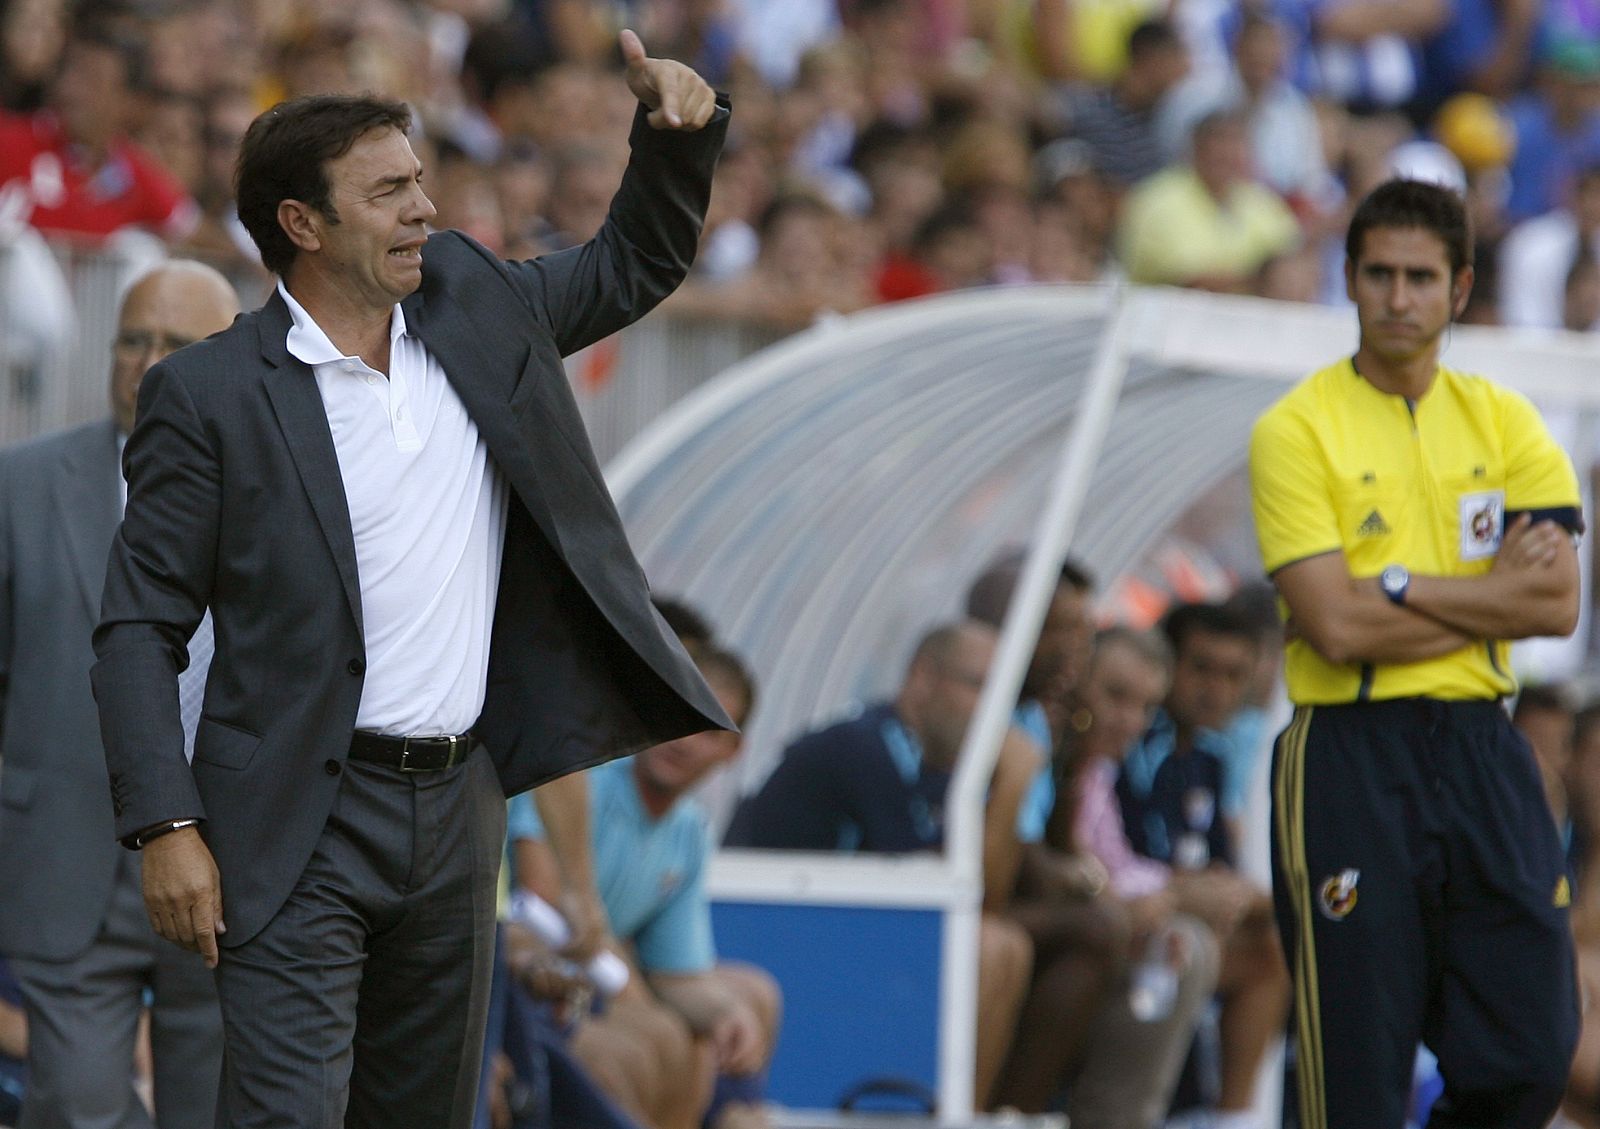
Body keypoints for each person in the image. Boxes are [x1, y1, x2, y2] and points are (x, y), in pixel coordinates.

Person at [90, 33, 733, 1129]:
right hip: (294, 814)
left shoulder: (477, 303)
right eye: (388, 190)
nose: (424, 208)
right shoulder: (206, 394)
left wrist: (676, 137)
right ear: (303, 224)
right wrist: (165, 825)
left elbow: (632, 264)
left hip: (458, 809)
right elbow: (137, 628)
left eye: (421, 180)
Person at [1248, 177, 1584, 1129]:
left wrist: (1395, 586)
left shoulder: (1506, 420)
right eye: (1380, 274)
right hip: (1347, 751)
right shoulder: (1295, 429)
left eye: (1422, 277)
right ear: (1350, 280)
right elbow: (1335, 627)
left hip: (1480, 743)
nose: (1399, 297)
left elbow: (1558, 602)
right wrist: (1489, 601)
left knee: (1532, 1047)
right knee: (1355, 1069)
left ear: (1460, 288)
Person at [0, 260, 237, 1129]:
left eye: (178, 344)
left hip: (229, 868)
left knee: (218, 1112)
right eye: (133, 340)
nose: (149, 362)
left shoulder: (281, 487)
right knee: (75, 1105)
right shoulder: (19, 483)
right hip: (67, 860)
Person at [510, 647, 781, 1129]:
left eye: (707, 729)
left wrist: (725, 1012)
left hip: (594, 974)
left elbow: (675, 969)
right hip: (529, 974)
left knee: (751, 999)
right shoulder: (574, 778)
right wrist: (633, 989)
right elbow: (540, 901)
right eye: (675, 713)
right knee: (658, 1038)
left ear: (733, 751)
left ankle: (738, 1109)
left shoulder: (689, 829)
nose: (683, 740)